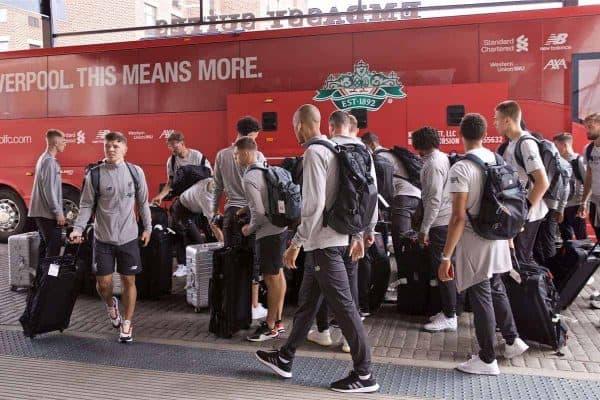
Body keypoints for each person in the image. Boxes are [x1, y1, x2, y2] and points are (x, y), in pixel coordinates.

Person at [255, 104, 379, 393]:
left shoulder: (315, 152)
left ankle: (365, 374)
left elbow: (312, 207)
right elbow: (369, 195)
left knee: (345, 308)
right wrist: (361, 233)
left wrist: (295, 243)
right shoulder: (343, 149)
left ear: (299, 126)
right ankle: (285, 358)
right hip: (340, 238)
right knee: (308, 302)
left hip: (324, 244)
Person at [439, 113, 527, 376]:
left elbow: (457, 217)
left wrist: (445, 257)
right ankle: (512, 341)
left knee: (481, 296)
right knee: (496, 287)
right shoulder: (496, 159)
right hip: (498, 235)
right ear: (485, 132)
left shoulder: (461, 168)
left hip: (475, 240)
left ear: (460, 134)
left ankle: (487, 359)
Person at [70, 131, 152, 343]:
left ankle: (127, 322)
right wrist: (78, 228)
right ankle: (110, 305)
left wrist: (148, 227)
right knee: (104, 284)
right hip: (103, 238)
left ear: (125, 148)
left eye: (116, 146)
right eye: (108, 146)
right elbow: (86, 204)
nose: (111, 149)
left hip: (128, 237)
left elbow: (143, 202)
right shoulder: (94, 175)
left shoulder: (135, 172)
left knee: (128, 280)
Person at [306, 111, 376, 353]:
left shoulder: (326, 148)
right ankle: (348, 339)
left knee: (325, 284)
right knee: (350, 283)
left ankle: (323, 331)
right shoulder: (364, 151)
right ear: (351, 127)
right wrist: (369, 230)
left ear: (330, 126)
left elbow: (316, 197)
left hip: (328, 230)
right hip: (354, 230)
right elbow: (371, 193)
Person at [212, 116, 267, 321]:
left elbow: (216, 187)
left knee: (231, 260)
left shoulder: (221, 155)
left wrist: (212, 213)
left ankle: (231, 307)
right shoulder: (257, 155)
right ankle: (253, 305)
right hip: (249, 213)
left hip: (229, 214)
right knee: (253, 259)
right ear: (251, 135)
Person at [234, 137, 287, 341]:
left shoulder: (249, 177)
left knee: (270, 279)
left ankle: (270, 326)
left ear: (246, 153)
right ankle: (278, 321)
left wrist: (249, 228)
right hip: (280, 228)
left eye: (237, 154)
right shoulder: (266, 169)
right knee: (278, 276)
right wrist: (245, 208)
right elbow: (264, 199)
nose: (236, 158)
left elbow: (260, 212)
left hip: (268, 233)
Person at [411, 126, 457, 332]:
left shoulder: (432, 165)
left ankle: (449, 316)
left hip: (439, 223)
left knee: (443, 269)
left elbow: (433, 200)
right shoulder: (442, 158)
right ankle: (448, 310)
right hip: (445, 221)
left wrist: (424, 229)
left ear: (420, 145)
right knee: (445, 268)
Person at [151, 131, 213, 278]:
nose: (172, 149)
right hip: (185, 202)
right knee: (180, 231)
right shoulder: (171, 161)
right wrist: (160, 196)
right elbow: (170, 183)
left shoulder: (197, 156)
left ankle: (210, 263)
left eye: (174, 145)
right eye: (170, 146)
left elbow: (209, 175)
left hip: (200, 199)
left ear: (182, 143)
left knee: (209, 231)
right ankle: (183, 265)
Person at [495, 100, 549, 265]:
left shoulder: (526, 143)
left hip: (528, 215)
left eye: (496, 119)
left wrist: (522, 214)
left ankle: (538, 290)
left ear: (507, 120)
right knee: (518, 260)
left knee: (522, 262)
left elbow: (542, 183)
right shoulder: (512, 143)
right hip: (518, 212)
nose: (494, 123)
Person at [361, 132, 421, 278]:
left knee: (400, 241)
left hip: (402, 199)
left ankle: (405, 279)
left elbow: (384, 189)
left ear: (372, 144)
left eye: (365, 147)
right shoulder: (390, 154)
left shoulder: (380, 157)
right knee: (409, 239)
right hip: (416, 197)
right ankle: (411, 277)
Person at [28, 129, 67, 257]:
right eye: (63, 141)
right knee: (53, 250)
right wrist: (58, 213)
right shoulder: (49, 162)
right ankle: (50, 277)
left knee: (44, 248)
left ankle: (40, 276)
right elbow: (49, 190)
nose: (65, 143)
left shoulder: (44, 158)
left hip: (42, 213)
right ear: (55, 142)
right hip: (47, 214)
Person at [553, 132, 587, 241]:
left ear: (564, 145)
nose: (555, 150)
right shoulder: (556, 162)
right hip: (561, 206)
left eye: (556, 146)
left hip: (576, 205)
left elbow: (588, 183)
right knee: (565, 237)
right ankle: (569, 257)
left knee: (581, 236)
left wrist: (585, 204)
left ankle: (584, 257)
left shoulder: (578, 161)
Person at [578, 113, 600, 239]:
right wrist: (584, 201)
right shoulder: (588, 149)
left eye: (590, 127)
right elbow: (589, 176)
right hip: (595, 200)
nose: (587, 130)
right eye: (586, 127)